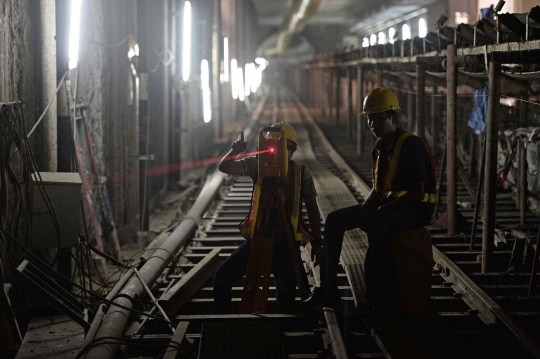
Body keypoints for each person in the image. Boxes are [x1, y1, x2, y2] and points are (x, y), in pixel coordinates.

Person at [303, 87, 437, 312]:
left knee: (377, 230)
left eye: (376, 119)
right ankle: (328, 290)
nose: (371, 124)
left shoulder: (411, 145)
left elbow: (416, 193)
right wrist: (366, 209)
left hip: (416, 208)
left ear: (393, 117)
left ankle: (377, 299)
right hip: (390, 205)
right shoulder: (379, 147)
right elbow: (378, 189)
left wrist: (380, 213)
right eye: (369, 119)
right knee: (336, 220)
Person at [214, 122, 323, 314]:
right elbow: (225, 167)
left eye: (285, 149)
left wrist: (316, 242)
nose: (279, 154)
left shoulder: (302, 173)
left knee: (286, 295)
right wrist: (234, 152)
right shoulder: (258, 166)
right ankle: (223, 326)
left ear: (292, 150)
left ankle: (283, 334)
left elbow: (312, 209)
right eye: (274, 149)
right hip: (257, 240)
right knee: (222, 278)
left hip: (285, 245)